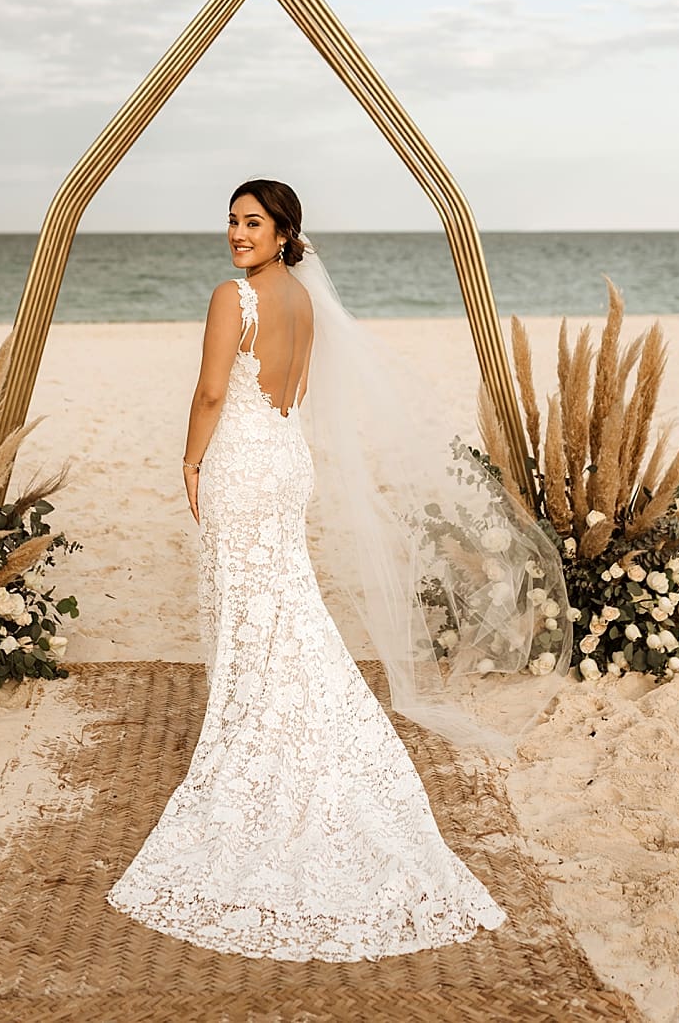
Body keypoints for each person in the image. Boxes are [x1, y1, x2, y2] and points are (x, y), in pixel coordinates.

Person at [105, 179, 558, 959]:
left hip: (243, 464)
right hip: (285, 458)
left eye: (251, 223)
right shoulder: (304, 301)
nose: (236, 234)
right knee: (285, 608)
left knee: (257, 612)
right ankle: (298, 730)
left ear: (283, 232)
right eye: (231, 221)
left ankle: (262, 741)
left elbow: (213, 390)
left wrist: (189, 461)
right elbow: (299, 390)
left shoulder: (231, 297)